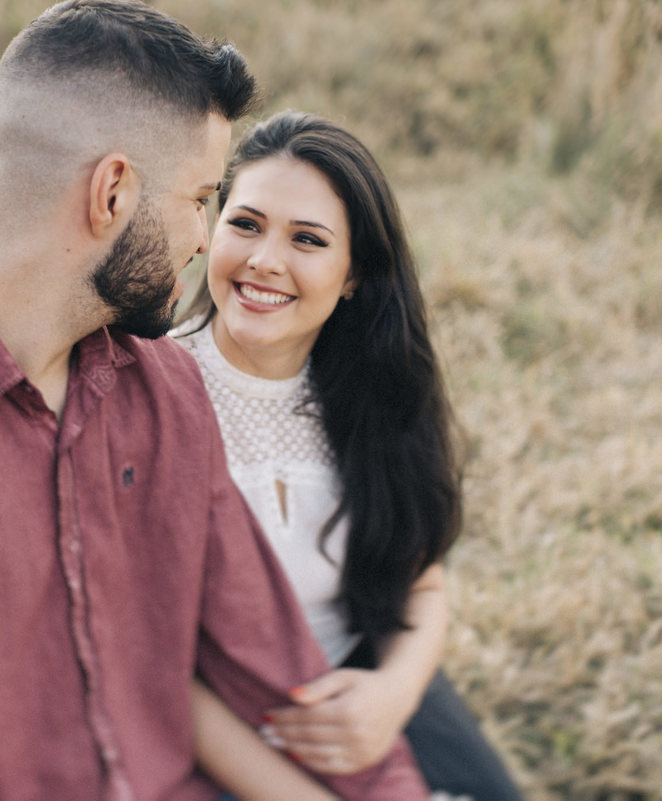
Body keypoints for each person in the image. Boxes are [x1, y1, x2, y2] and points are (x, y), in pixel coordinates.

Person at [0, 4, 430, 800]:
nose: (204, 239)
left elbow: (276, 669)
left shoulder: (167, 391)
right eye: (199, 198)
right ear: (113, 192)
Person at [176, 110, 522, 801]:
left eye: (307, 239)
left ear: (353, 274)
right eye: (246, 224)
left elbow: (419, 582)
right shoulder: (147, 395)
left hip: (356, 679)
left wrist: (392, 693)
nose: (265, 259)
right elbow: (144, 661)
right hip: (211, 720)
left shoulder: (373, 391)